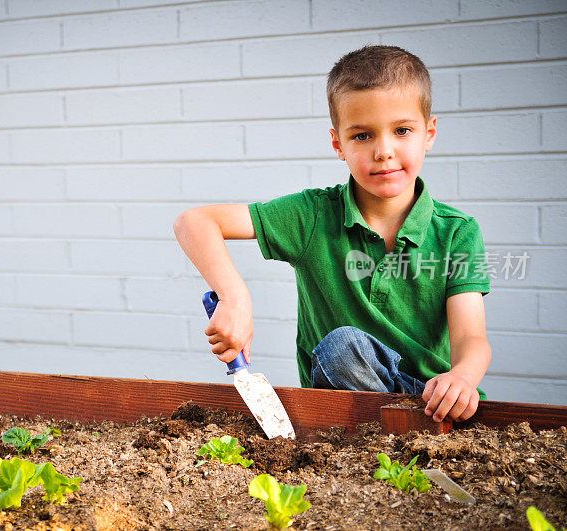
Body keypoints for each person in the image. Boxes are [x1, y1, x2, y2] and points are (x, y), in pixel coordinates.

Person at [173, 45, 491, 424]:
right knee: (344, 348)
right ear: (338, 143)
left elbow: (472, 338)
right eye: (362, 136)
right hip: (345, 408)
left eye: (402, 130)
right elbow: (194, 221)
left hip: (432, 403)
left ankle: (406, 436)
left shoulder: (457, 231)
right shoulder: (312, 215)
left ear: (429, 133)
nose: (383, 151)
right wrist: (234, 296)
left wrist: (462, 377)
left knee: (349, 350)